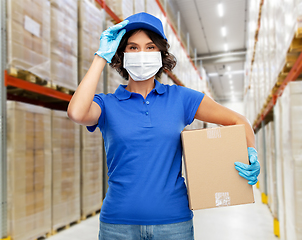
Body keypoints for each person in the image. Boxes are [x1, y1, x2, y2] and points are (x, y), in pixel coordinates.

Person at [68, 12, 260, 240]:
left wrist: (250, 153)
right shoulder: (106, 104)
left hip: (174, 224)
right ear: (121, 54)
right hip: (118, 225)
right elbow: (76, 113)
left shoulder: (181, 98)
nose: (142, 54)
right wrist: (100, 57)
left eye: (150, 47)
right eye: (133, 47)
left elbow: (240, 121)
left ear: (161, 53)